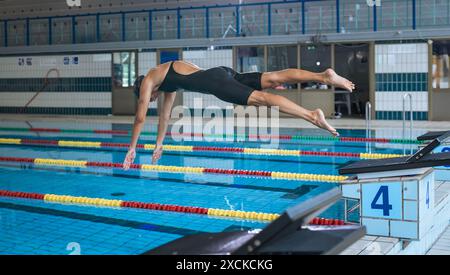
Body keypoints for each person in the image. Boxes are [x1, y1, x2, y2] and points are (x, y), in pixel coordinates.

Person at [123, 60, 355, 169]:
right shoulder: (166, 80)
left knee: (261, 100)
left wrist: (132, 147)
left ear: (142, 87)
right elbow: (164, 117)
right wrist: (159, 144)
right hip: (220, 71)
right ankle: (323, 76)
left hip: (215, 82)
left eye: (148, 97)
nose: (150, 99)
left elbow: (140, 117)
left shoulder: (151, 78)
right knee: (272, 78)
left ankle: (312, 115)